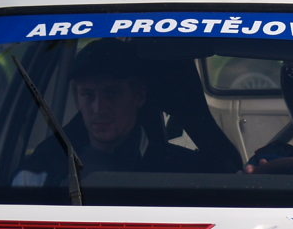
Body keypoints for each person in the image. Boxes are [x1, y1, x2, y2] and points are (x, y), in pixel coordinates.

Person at [14, 40, 205, 185]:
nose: (99, 108)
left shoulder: (181, 172)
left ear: (138, 96)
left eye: (111, 94)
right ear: (76, 99)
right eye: (88, 95)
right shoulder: (44, 168)